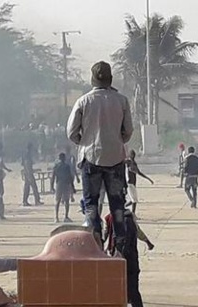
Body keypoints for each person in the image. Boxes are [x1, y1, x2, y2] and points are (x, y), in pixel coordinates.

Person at [67, 61, 134, 251]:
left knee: (91, 205)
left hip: (91, 159)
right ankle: (119, 246)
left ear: (92, 80)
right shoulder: (122, 100)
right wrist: (116, 139)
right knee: (117, 205)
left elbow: (71, 133)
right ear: (110, 79)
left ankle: (95, 241)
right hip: (115, 159)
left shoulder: (83, 101)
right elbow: (128, 131)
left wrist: (85, 141)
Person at [104, 210, 154, 307]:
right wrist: (148, 242)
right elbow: (138, 232)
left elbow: (109, 235)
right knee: (129, 290)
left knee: (130, 290)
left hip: (124, 260)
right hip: (126, 259)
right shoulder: (127, 219)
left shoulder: (122, 220)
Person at [51, 153, 74, 223]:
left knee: (57, 201)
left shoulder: (56, 166)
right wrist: (73, 186)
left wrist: (51, 186)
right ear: (64, 158)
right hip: (66, 184)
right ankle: (66, 217)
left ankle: (56, 217)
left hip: (59, 184)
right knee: (66, 201)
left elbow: (53, 177)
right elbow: (70, 177)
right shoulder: (67, 166)